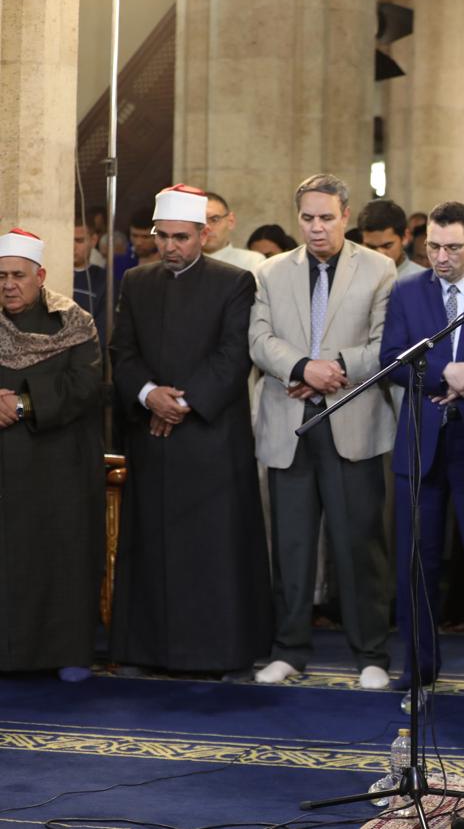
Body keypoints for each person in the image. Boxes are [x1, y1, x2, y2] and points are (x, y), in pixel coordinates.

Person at [109, 185, 271, 678]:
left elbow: (233, 356)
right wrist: (148, 395)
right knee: (152, 547)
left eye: (181, 237)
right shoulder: (136, 281)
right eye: (163, 236)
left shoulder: (234, 282)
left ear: (204, 235)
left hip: (210, 439)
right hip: (153, 438)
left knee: (211, 551)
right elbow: (122, 351)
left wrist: (180, 403)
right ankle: (147, 650)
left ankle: (215, 653)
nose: (170, 246)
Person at [249, 173, 397, 689]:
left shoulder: (378, 268)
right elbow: (259, 339)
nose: (316, 227)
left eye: (326, 218)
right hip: (289, 422)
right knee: (290, 546)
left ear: (345, 216)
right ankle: (289, 649)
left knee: (359, 544)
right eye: (308, 218)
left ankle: (370, 653)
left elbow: (385, 342)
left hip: (352, 419)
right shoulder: (271, 272)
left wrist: (331, 368)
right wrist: (301, 368)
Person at [378, 201, 464, 699]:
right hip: (422, 442)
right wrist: (442, 374)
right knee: (417, 563)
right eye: (432, 246)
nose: (441, 257)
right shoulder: (407, 291)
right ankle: (419, 665)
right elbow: (391, 359)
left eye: (452, 247)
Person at [0, 229, 103, 682]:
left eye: (18, 276)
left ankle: (67, 652)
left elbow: (86, 385)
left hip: (58, 463)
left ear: (39, 276)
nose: (8, 285)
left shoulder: (73, 322)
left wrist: (23, 404)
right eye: (0, 276)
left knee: (61, 556)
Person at [358, 198, 423, 281]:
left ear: (405, 237)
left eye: (387, 246)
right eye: (371, 247)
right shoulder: (352, 279)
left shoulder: (425, 282)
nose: (379, 253)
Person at [72, 215, 108, 360]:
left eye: (79, 241)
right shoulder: (50, 274)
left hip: (86, 359)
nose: (72, 247)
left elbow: (103, 332)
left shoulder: (103, 280)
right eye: (67, 240)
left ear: (93, 240)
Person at [205, 192, 268, 274]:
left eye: (214, 219)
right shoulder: (188, 262)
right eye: (200, 221)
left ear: (231, 221)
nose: (207, 227)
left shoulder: (253, 261)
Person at [113, 208, 160, 285]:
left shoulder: (170, 264)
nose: (138, 243)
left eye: (145, 237)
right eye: (134, 236)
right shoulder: (119, 264)